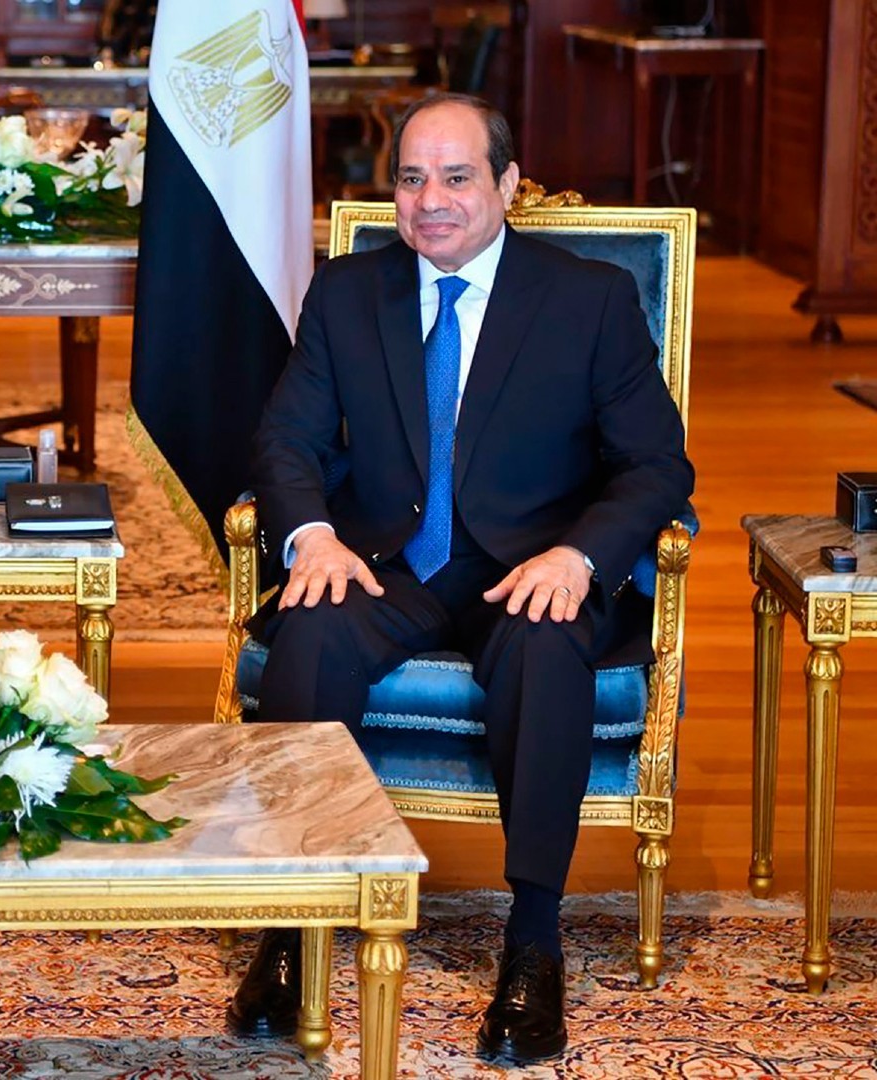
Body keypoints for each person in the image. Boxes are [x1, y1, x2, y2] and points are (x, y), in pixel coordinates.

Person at [233, 93, 693, 1063]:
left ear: (508, 184)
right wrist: (312, 535)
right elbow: (287, 439)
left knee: (546, 648)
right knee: (311, 630)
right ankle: (290, 923)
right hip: (386, 560)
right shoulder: (346, 292)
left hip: (530, 566)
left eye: (456, 177)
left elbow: (658, 466)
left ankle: (534, 940)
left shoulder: (589, 300)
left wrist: (579, 557)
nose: (430, 201)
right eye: (411, 179)